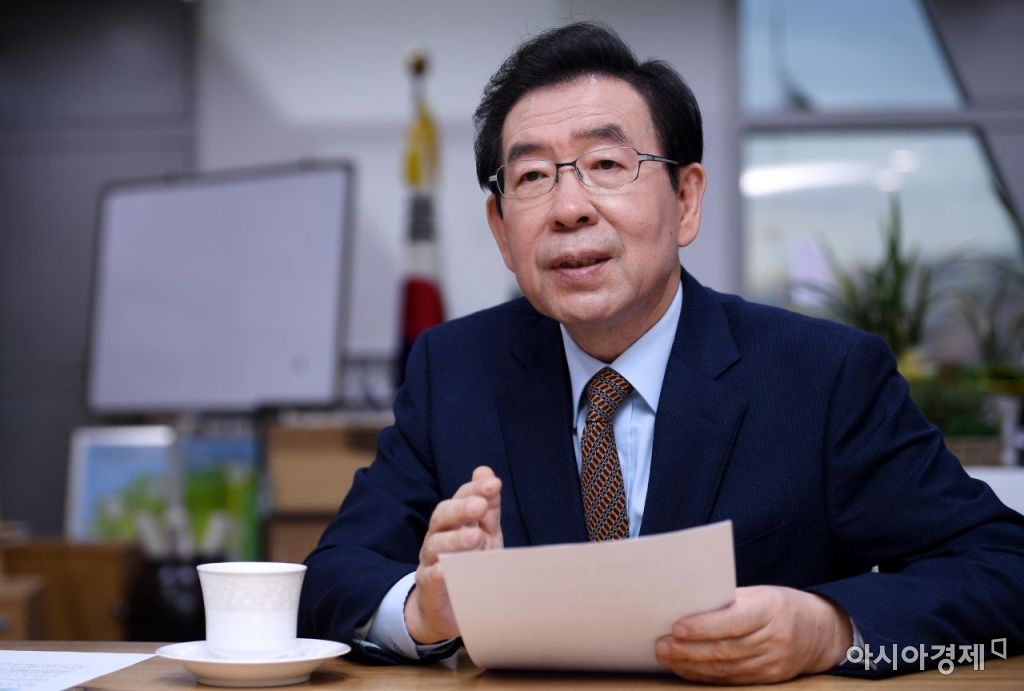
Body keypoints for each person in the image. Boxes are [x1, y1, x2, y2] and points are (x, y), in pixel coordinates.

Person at [299, 22, 1024, 683]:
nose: (569, 207)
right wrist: (424, 610)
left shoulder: (823, 376)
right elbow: (330, 579)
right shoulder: (454, 370)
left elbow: (1003, 565)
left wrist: (828, 629)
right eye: (532, 177)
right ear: (501, 229)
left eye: (606, 163)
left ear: (686, 200)